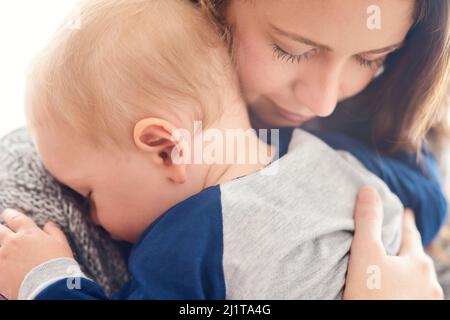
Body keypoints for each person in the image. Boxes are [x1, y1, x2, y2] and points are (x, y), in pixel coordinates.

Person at [0, 0, 437, 300]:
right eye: (290, 49)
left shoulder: (186, 243)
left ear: (168, 150)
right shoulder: (322, 154)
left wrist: (46, 277)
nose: (322, 102)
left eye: (371, 58)